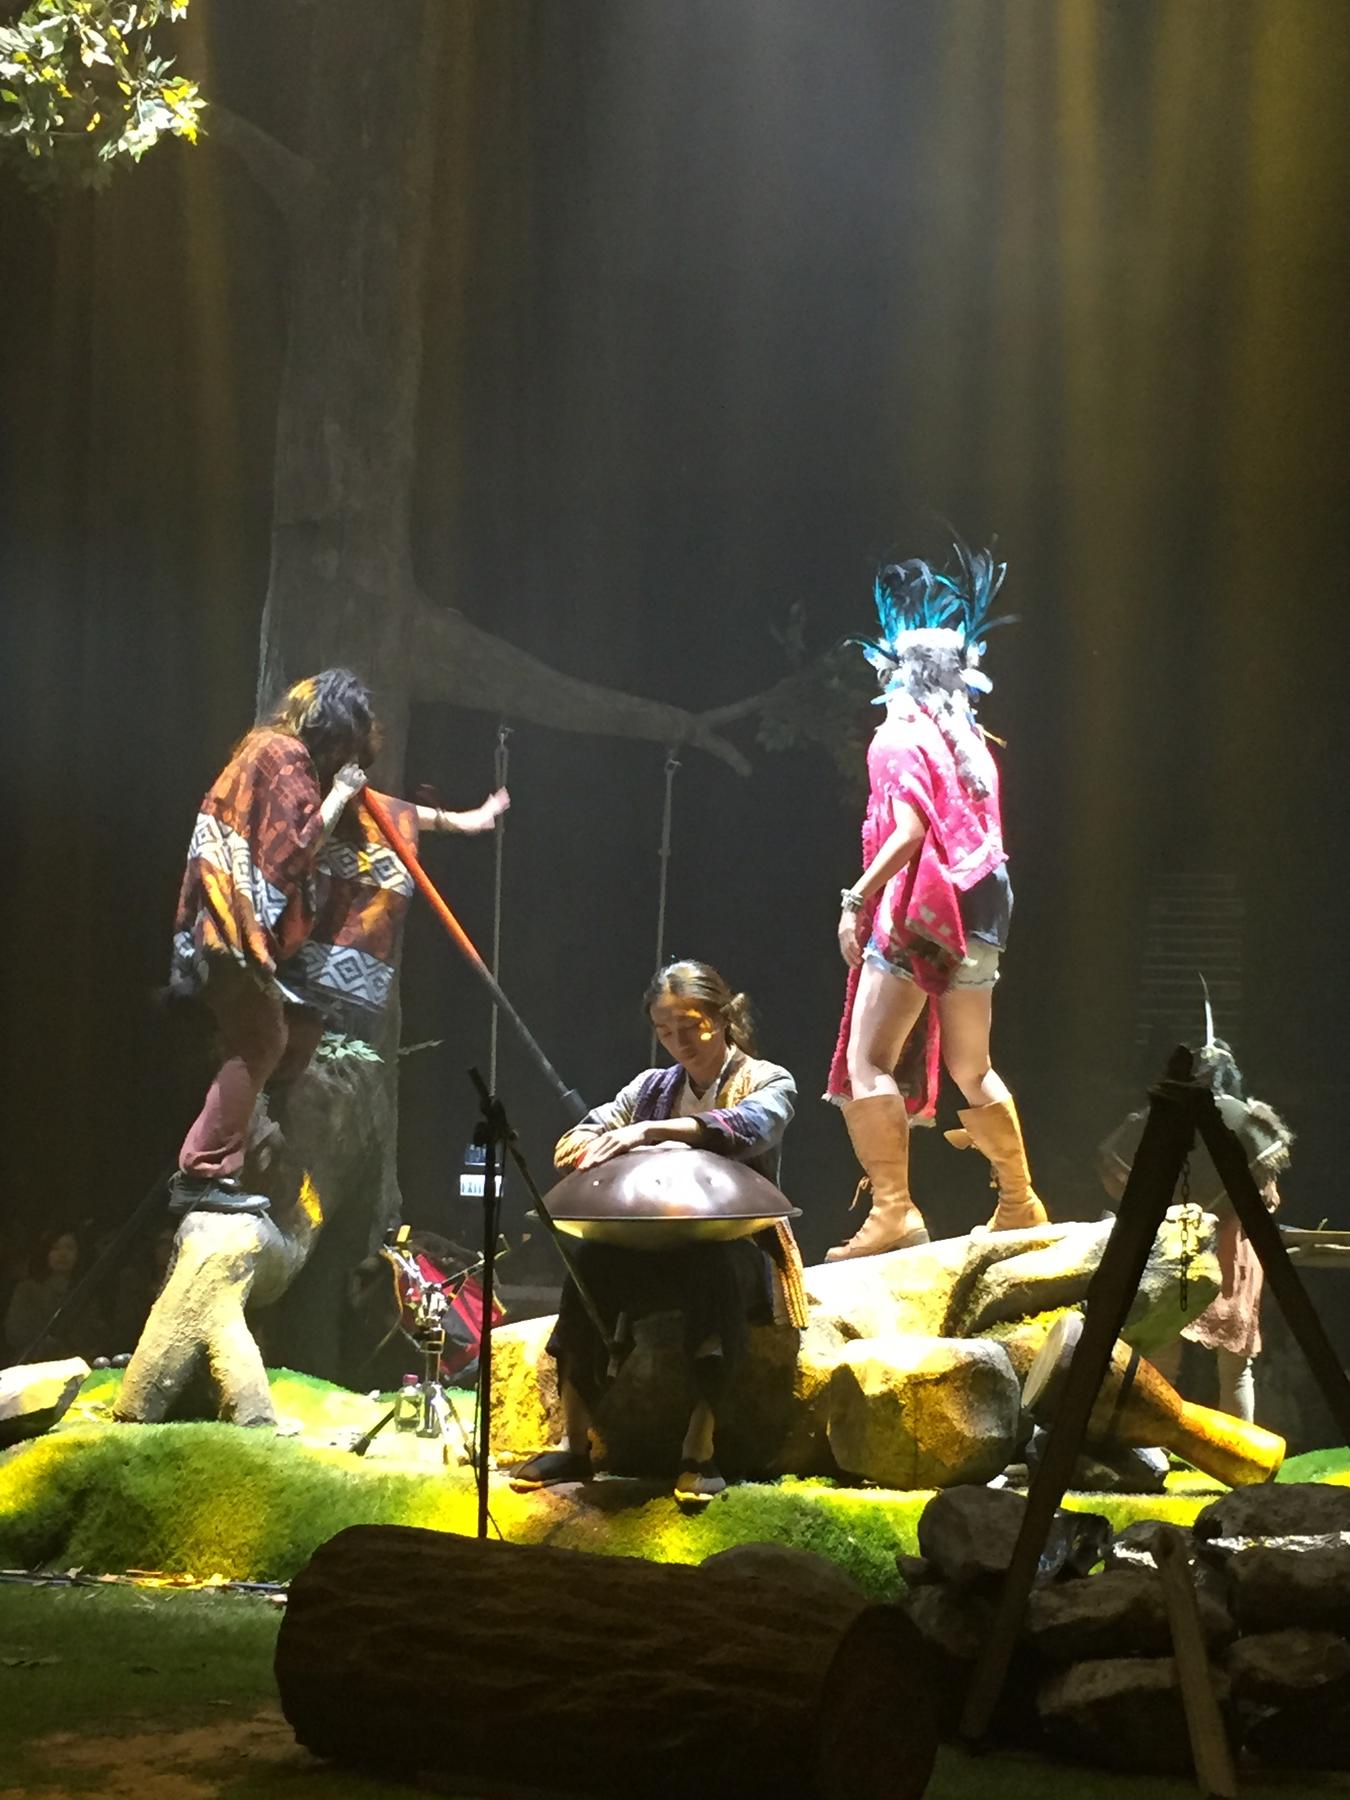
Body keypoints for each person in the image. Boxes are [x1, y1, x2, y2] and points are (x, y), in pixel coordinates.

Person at [168, 668, 507, 1215]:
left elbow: (381, 814)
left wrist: (462, 821)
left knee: (293, 1036)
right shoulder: (285, 757)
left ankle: (246, 1159)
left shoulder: (270, 753)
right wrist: (343, 791)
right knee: (261, 1039)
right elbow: (297, 845)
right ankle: (203, 1171)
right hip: (233, 925)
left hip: (230, 927)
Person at [510, 960, 806, 1505]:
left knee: (714, 1272)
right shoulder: (651, 1087)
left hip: (733, 1241)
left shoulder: (767, 1079)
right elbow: (577, 1139)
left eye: (690, 1026)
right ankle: (574, 1442)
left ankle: (699, 1444)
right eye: (664, 1031)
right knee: (590, 1265)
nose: (678, 1042)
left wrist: (649, 1133)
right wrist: (595, 1146)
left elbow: (750, 1126)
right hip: (649, 1243)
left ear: (722, 1017)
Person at [825, 541, 1046, 1259]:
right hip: (985, 908)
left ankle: (894, 1211)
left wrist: (856, 899)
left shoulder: (897, 738)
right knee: (971, 1067)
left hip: (926, 910)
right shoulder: (972, 743)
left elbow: (911, 832)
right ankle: (1020, 1203)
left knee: (867, 1061)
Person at [1098, 1032, 1291, 1422]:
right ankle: (1236, 1453)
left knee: (1160, 1362)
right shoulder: (1250, 1121)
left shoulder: (1159, 1116)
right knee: (1234, 1371)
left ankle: (1150, 1448)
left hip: (1169, 1242)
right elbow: (1268, 1200)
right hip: (1228, 1248)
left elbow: (1116, 1183)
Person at [4, 1227, 107, 1362]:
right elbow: (15, 1332)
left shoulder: (86, 1291)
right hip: (33, 1363)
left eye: (69, 1248)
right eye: (55, 1248)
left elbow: (93, 1334)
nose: (62, 1254)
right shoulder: (27, 1290)